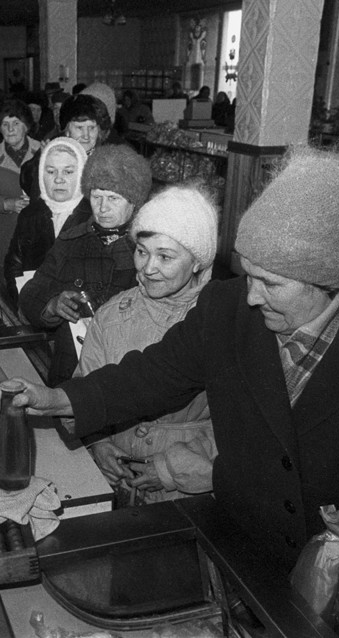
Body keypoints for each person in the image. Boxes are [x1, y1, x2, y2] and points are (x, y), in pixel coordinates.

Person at [0, 147, 339, 637]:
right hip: (242, 551)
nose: (251, 296)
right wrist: (59, 399)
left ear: (330, 281)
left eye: (271, 284)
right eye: (248, 274)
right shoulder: (230, 306)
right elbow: (154, 372)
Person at [78, 184, 218, 507]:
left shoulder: (219, 321)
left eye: (165, 256)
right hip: (112, 488)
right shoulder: (112, 316)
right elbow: (84, 388)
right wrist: (97, 442)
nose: (148, 267)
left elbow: (239, 429)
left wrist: (171, 469)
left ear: (198, 261)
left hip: (188, 497)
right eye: (142, 251)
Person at [19, 144, 152, 385]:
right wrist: (51, 305)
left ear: (134, 202)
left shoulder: (148, 249)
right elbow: (30, 293)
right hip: (71, 370)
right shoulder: (72, 240)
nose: (102, 208)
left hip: (127, 371)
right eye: (96, 197)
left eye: (113, 198)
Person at [4, 137, 90, 303]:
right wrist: (24, 302)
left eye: (68, 171)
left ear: (81, 174)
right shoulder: (30, 214)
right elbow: (13, 265)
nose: (58, 179)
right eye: (51, 171)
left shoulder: (93, 217)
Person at [0, 98, 41, 268]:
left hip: (40, 232)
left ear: (26, 126)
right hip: (5, 235)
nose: (10, 129)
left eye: (16, 123)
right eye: (5, 124)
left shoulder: (44, 152)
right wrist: (7, 204)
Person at [20, 93, 112, 201]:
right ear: (67, 130)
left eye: (92, 128)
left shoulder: (108, 157)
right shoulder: (54, 148)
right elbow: (26, 182)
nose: (86, 135)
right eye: (79, 128)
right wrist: (42, 163)